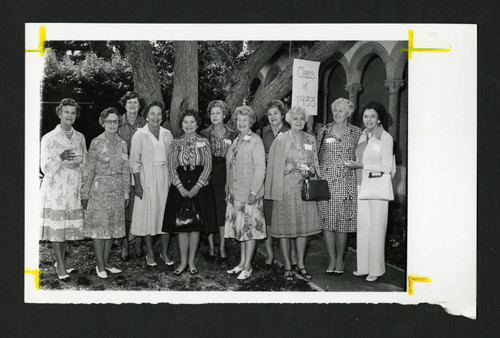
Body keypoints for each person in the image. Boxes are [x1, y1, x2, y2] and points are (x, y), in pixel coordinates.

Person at [265, 106, 321, 280]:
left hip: (304, 186)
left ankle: (301, 264)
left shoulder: (311, 139)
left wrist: (310, 171)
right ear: (289, 120)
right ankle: (288, 264)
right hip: (286, 186)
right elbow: (272, 167)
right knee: (285, 227)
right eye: (295, 118)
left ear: (305, 121)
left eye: (301, 119)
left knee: (303, 228)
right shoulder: (280, 140)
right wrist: (285, 167)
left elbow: (315, 164)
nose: (298, 121)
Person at [162, 110, 218, 275]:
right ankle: (183, 261)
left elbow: (208, 166)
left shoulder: (204, 142)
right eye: (185, 122)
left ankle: (192, 261)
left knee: (195, 225)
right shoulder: (175, 143)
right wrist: (179, 186)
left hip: (199, 186)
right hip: (179, 185)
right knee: (182, 224)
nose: (189, 125)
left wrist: (196, 187)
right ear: (181, 125)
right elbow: (171, 166)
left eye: (192, 122)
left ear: (197, 124)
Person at [346, 101, 395, 282]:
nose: (369, 119)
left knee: (377, 228)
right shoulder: (363, 136)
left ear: (379, 118)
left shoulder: (386, 138)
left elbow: (386, 166)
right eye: (366, 116)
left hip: (377, 188)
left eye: (373, 116)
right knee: (364, 227)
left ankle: (376, 269)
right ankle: (363, 267)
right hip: (362, 186)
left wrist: (362, 165)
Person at [40, 98, 87, 280]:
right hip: (55, 188)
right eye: (66, 112)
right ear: (60, 113)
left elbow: (85, 161)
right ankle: (60, 264)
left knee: (66, 226)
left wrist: (79, 162)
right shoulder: (49, 138)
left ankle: (61, 261)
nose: (69, 115)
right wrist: (61, 156)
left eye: (73, 112)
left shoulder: (80, 137)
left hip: (73, 186)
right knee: (57, 227)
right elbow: (45, 168)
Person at [81, 108, 130, 278]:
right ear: (103, 122)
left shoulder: (123, 143)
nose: (112, 124)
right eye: (109, 121)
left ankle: (107, 262)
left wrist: (126, 193)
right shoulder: (96, 142)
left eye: (115, 121)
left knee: (113, 228)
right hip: (99, 189)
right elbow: (88, 170)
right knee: (100, 229)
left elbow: (125, 170)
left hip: (117, 190)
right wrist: (84, 193)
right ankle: (100, 265)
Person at [317, 98, 362, 275]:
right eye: (335, 110)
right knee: (327, 223)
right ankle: (332, 259)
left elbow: (363, 156)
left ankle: (341, 259)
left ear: (349, 113)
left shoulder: (357, 132)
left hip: (346, 183)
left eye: (341, 110)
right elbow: (317, 155)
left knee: (342, 224)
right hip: (326, 183)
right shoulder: (324, 131)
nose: (337, 113)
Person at [129, 101, 173, 267]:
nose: (156, 117)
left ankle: (164, 252)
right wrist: (137, 185)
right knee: (148, 217)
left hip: (165, 179)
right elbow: (134, 161)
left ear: (163, 117)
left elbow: (172, 160)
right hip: (146, 179)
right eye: (152, 114)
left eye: (159, 114)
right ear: (146, 116)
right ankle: (150, 253)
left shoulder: (167, 134)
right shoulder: (140, 135)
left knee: (165, 216)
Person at [225, 106, 266, 280]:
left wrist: (254, 191)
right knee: (241, 230)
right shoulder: (237, 140)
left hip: (250, 193)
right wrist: (229, 189)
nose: (241, 123)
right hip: (236, 193)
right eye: (239, 119)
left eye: (245, 120)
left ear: (251, 121)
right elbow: (230, 166)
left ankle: (248, 266)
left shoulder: (255, 140)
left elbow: (260, 169)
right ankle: (242, 263)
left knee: (250, 231)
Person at [259, 99, 298, 268]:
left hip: (285, 181)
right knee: (267, 219)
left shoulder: (290, 132)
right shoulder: (262, 132)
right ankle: (270, 254)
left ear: (282, 114)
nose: (272, 116)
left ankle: (292, 255)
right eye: (269, 114)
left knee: (286, 218)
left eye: (275, 113)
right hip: (267, 180)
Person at [200, 100, 237, 259]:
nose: (215, 116)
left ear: (224, 115)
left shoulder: (233, 133)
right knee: (210, 209)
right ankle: (210, 247)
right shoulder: (204, 133)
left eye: (218, 113)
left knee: (223, 211)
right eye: (212, 113)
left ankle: (222, 247)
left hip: (227, 173)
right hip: (209, 171)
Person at [117, 91, 147, 260]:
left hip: (141, 170)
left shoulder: (145, 123)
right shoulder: (118, 123)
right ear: (125, 105)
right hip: (122, 170)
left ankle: (139, 242)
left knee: (140, 205)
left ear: (139, 105)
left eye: (135, 103)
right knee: (124, 207)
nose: (133, 106)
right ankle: (124, 244)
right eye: (130, 103)